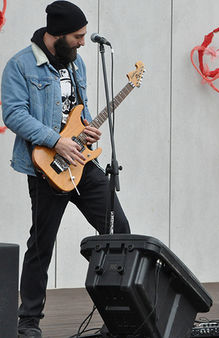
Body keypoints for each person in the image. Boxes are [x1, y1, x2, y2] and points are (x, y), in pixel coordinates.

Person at [1, 2, 130, 337]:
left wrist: (87, 128)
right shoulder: (20, 65)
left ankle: (118, 316)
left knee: (120, 232)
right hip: (45, 168)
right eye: (77, 36)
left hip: (83, 165)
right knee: (41, 245)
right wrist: (54, 141)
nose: (83, 42)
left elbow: (79, 112)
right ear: (56, 34)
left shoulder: (78, 64)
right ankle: (28, 321)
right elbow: (13, 114)